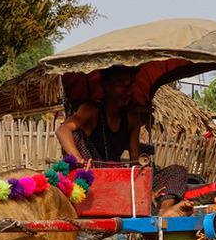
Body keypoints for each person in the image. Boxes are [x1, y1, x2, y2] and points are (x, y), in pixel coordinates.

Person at [55, 65, 194, 217]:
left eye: (131, 85)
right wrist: (79, 159)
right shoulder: (91, 110)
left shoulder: (132, 118)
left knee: (177, 171)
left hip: (122, 181)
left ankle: (164, 211)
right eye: (121, 84)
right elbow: (63, 130)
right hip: (95, 179)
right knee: (76, 135)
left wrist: (146, 189)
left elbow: (136, 163)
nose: (128, 91)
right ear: (106, 86)